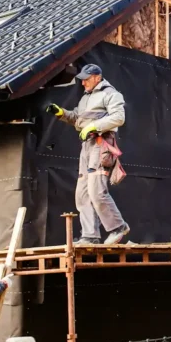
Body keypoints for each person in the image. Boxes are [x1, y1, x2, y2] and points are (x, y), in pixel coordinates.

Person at [47, 64, 130, 245]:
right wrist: (61, 113)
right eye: (82, 79)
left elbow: (119, 117)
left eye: (86, 79)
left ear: (97, 77)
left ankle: (118, 227)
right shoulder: (86, 98)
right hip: (86, 147)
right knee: (82, 193)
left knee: (96, 191)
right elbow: (77, 119)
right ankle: (90, 236)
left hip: (101, 145)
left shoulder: (111, 94)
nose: (83, 82)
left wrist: (94, 126)